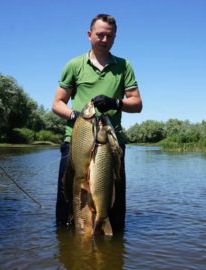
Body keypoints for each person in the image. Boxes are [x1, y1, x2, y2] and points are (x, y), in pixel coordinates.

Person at [52, 14, 142, 231]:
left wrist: (116, 102)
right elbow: (57, 103)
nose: (103, 39)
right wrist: (76, 116)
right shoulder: (74, 65)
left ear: (115, 38)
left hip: (111, 142)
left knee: (114, 200)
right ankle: (68, 239)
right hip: (76, 140)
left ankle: (111, 237)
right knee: (69, 196)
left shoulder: (124, 66)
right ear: (89, 34)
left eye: (109, 36)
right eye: (99, 34)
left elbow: (137, 104)